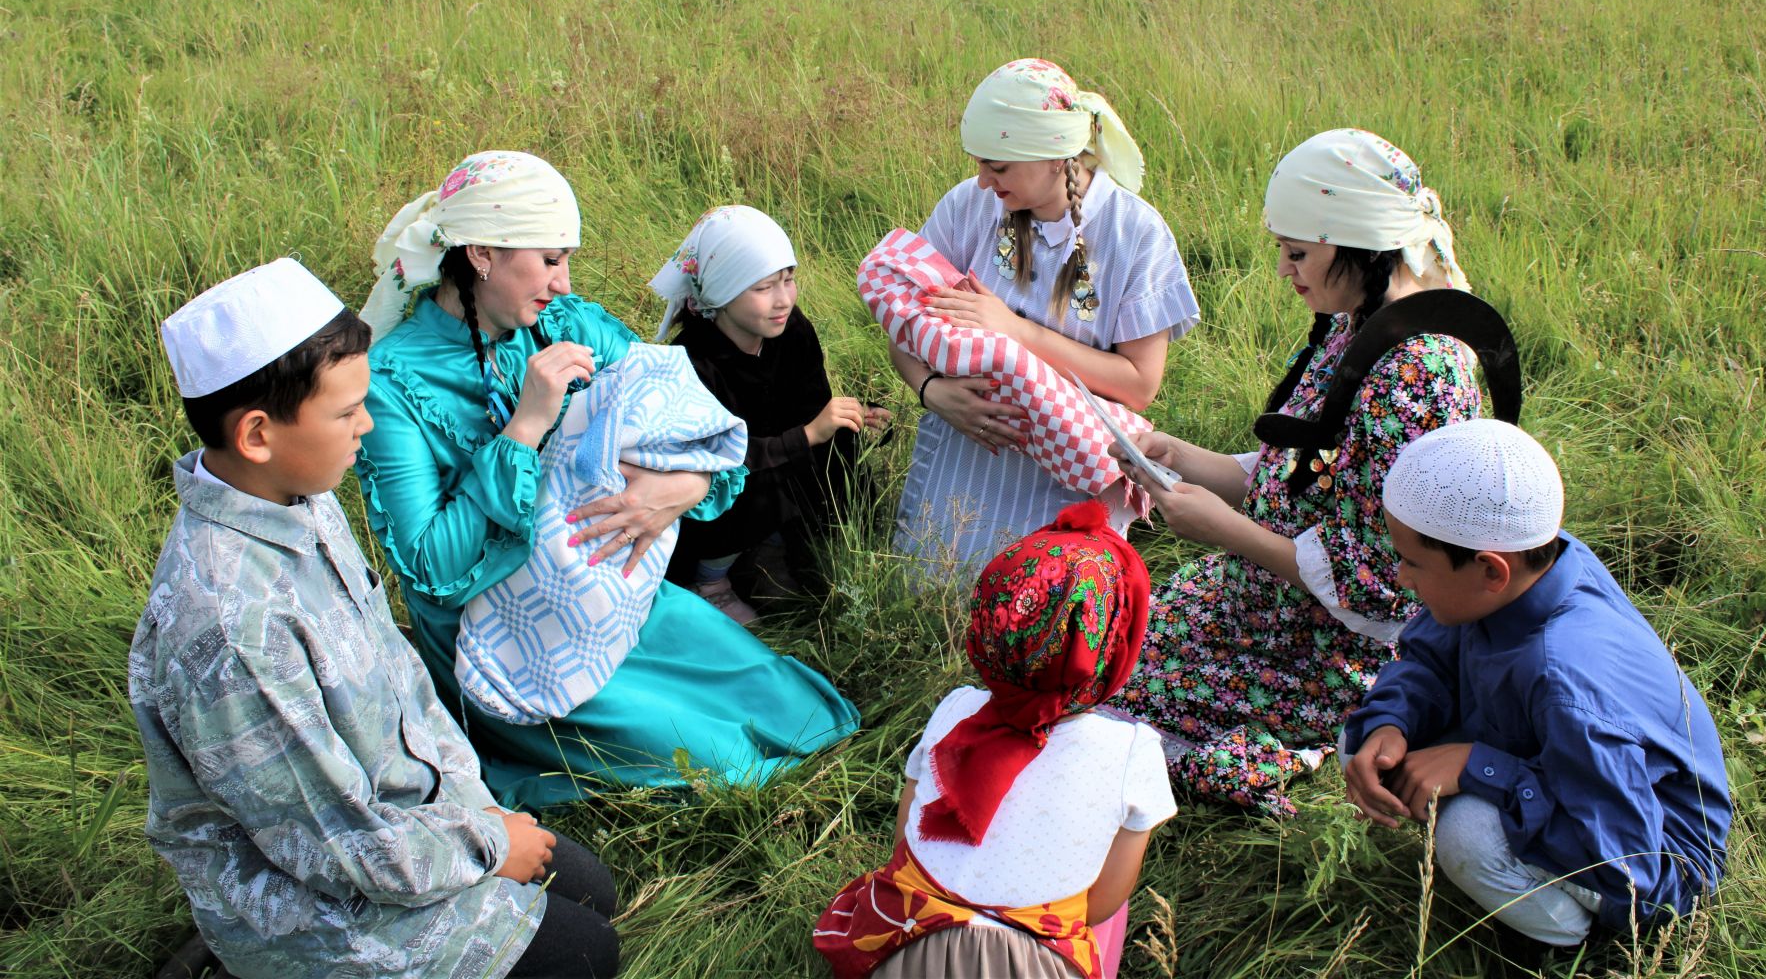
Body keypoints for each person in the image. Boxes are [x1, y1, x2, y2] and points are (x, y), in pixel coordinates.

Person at [131, 258, 621, 979]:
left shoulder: (297, 492)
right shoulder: (233, 632)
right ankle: (247, 959)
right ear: (258, 434)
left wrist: (474, 811)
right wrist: (486, 848)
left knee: (593, 895)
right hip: (324, 889)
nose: (366, 424)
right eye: (345, 412)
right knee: (587, 955)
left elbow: (397, 678)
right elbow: (331, 846)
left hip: (400, 823)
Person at [354, 151, 860, 811]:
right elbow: (431, 566)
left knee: (787, 708)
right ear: (480, 253)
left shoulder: (570, 325)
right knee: (717, 759)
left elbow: (702, 429)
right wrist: (524, 430)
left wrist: (680, 490)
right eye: (549, 260)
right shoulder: (393, 383)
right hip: (506, 642)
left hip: (610, 588)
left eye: (567, 260)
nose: (563, 284)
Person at [1111, 129, 1496, 818]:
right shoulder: (1359, 323)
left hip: (1330, 646)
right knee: (1106, 656)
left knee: (1120, 716)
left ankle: (1304, 746)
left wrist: (1227, 532)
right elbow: (1307, 471)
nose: (1285, 270)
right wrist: (1183, 458)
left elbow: (1384, 584)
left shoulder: (1420, 375)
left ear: (1359, 247)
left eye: (1298, 253)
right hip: (1265, 601)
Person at [1343, 420, 1731, 950]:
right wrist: (1392, 721)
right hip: (1567, 767)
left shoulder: (1567, 683)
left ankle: (1570, 938)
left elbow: (1631, 867)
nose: (1402, 578)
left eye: (1412, 562)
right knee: (1362, 740)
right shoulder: (1524, 567)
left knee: (1468, 836)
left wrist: (1480, 768)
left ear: (1490, 570)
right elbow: (1430, 657)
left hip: (1648, 860)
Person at [815, 501, 1173, 979]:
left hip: (905, 944)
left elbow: (904, 843)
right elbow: (1102, 903)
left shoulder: (956, 708)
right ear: (1115, 645)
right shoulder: (1134, 750)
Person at [889, 58, 1199, 576]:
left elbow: (1139, 385)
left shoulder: (1135, 234)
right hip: (963, 453)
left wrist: (1016, 331)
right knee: (929, 599)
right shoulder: (968, 207)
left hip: (1070, 473)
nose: (983, 181)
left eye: (999, 167)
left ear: (1056, 157)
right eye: (979, 163)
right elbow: (903, 325)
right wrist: (932, 394)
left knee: (1039, 615)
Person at [652, 205, 889, 623]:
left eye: (789, 279)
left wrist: (850, 417)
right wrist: (807, 435)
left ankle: (814, 541)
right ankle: (711, 579)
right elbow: (718, 459)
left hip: (776, 461)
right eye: (763, 287)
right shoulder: (691, 360)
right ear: (721, 293)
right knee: (750, 483)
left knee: (842, 437)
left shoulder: (790, 329)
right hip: (724, 481)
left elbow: (811, 403)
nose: (783, 300)